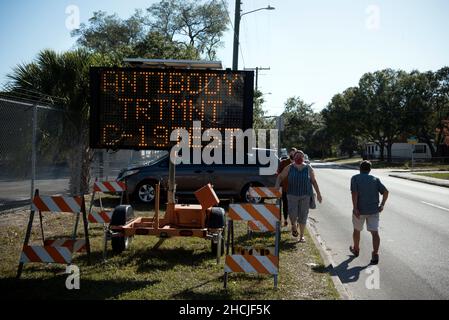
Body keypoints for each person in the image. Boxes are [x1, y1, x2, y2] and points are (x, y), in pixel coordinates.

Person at [275, 150, 322, 242]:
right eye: (297, 156)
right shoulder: (289, 167)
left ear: (303, 158)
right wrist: (277, 185)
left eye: (301, 156)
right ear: (294, 158)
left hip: (305, 195)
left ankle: (301, 236)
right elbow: (280, 176)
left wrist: (319, 194)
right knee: (292, 214)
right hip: (292, 194)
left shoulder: (308, 167)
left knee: (303, 215)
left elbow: (313, 181)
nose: (299, 157)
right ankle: (293, 225)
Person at [350, 160, 389, 265]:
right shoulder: (375, 179)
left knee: (357, 230)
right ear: (370, 169)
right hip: (373, 210)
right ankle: (375, 254)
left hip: (360, 210)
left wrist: (355, 208)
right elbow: (385, 192)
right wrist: (382, 205)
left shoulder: (355, 178)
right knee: (375, 233)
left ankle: (356, 249)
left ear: (360, 168)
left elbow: (354, 193)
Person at [277, 147, 297, 227]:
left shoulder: (299, 162)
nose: (292, 154)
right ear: (289, 154)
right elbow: (279, 173)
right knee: (285, 205)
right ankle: (285, 220)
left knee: (294, 206)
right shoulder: (284, 162)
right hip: (285, 188)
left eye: (294, 153)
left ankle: (294, 222)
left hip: (296, 189)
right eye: (291, 153)